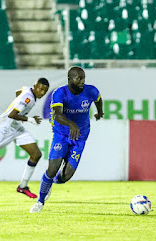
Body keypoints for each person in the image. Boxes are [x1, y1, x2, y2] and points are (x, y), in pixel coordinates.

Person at [30, 67, 104, 213]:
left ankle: (53, 182)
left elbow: (98, 100)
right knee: (52, 169)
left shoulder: (91, 90)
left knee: (65, 176)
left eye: (83, 77)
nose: (82, 81)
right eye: (79, 78)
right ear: (70, 79)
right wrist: (71, 124)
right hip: (62, 134)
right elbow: (57, 115)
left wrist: (99, 112)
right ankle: (40, 201)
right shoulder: (60, 93)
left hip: (80, 136)